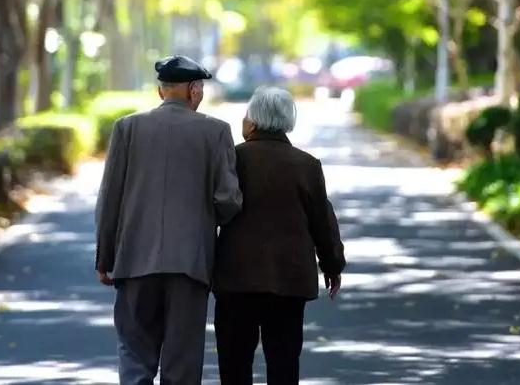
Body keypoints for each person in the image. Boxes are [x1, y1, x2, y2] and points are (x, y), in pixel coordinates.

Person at [94, 55, 243, 385]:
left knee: (134, 355)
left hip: (133, 262)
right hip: (189, 266)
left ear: (162, 91)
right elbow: (227, 201)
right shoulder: (215, 131)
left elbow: (110, 200)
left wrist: (105, 258)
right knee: (182, 364)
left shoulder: (126, 128)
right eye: (200, 87)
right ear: (192, 90)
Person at [213, 86, 346, 385]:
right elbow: (322, 222)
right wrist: (332, 264)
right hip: (288, 279)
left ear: (253, 120)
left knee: (234, 365)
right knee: (284, 364)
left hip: (236, 279)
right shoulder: (306, 165)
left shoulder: (233, 158)